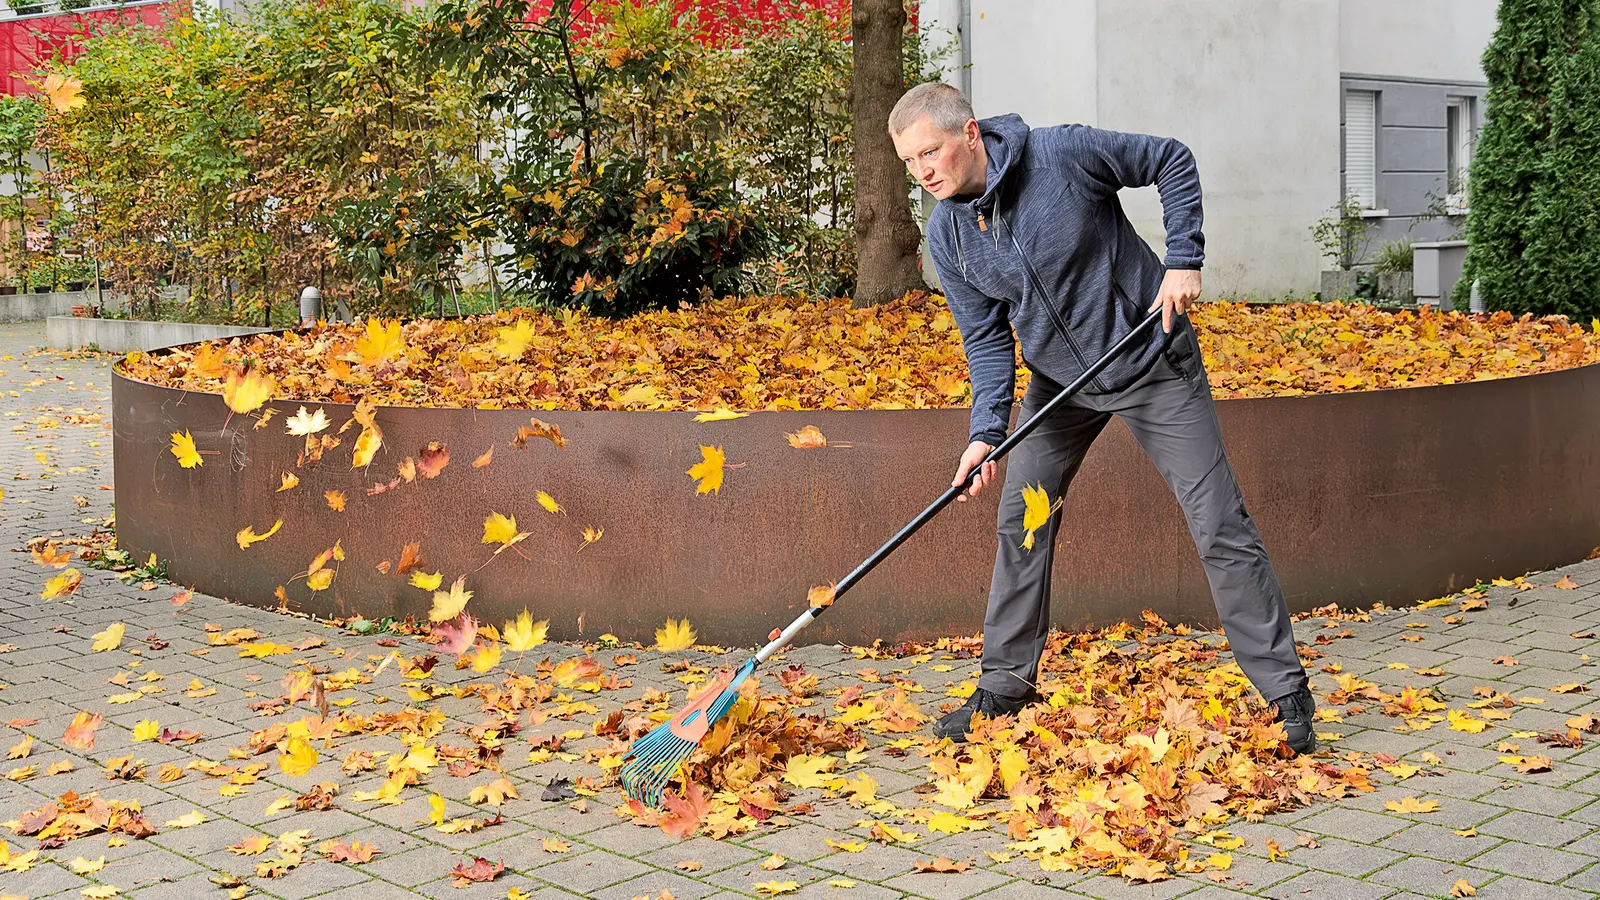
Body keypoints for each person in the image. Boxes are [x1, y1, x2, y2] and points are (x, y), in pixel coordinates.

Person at [888, 82, 1315, 755]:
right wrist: (985, 435)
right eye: (910, 163)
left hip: (1152, 361)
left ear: (969, 133)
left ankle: (1286, 692)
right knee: (1023, 521)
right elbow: (988, 344)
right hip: (1063, 389)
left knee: (1217, 523)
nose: (924, 172)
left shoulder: (1062, 156)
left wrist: (1183, 258)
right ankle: (1004, 686)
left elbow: (1170, 159)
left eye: (931, 153)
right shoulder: (950, 236)